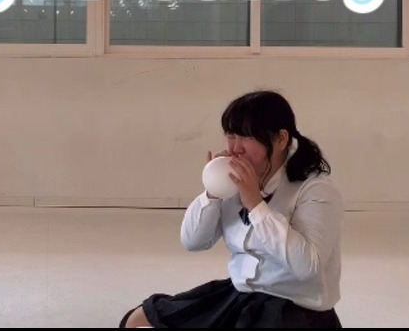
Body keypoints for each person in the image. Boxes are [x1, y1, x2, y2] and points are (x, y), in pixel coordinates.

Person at [120, 90, 344, 328]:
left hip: (294, 308)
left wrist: (256, 205)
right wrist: (213, 192)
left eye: (246, 137)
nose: (236, 148)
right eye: (231, 135)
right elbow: (193, 242)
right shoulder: (234, 181)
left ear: (281, 139)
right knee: (139, 320)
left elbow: (307, 268)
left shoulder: (316, 190)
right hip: (241, 295)